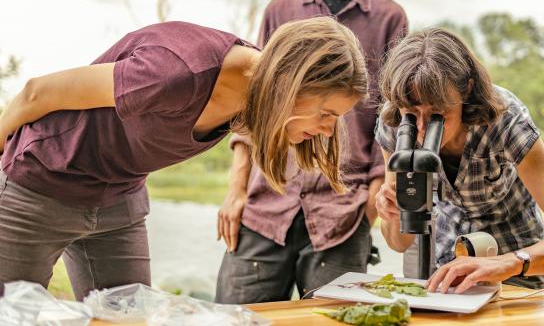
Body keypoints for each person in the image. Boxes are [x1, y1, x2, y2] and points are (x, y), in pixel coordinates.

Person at [0, 17, 367, 301]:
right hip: (42, 182)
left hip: (118, 198)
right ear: (293, 82)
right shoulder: (176, 71)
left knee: (128, 319)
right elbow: (36, 93)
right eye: (327, 113)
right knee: (11, 313)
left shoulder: (256, 93)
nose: (326, 129)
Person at [215, 0, 407, 303]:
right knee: (233, 317)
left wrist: (374, 198)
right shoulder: (279, 13)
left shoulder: (390, 18)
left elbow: (393, 117)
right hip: (267, 205)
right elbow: (254, 107)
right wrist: (237, 190)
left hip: (343, 209)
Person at [374, 28, 544, 292]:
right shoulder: (395, 124)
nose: (423, 128)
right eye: (412, 113)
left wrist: (508, 263)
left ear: (466, 90)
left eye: (439, 114)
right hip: (447, 273)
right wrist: (391, 215)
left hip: (515, 270)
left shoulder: (506, 120)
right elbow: (399, 243)